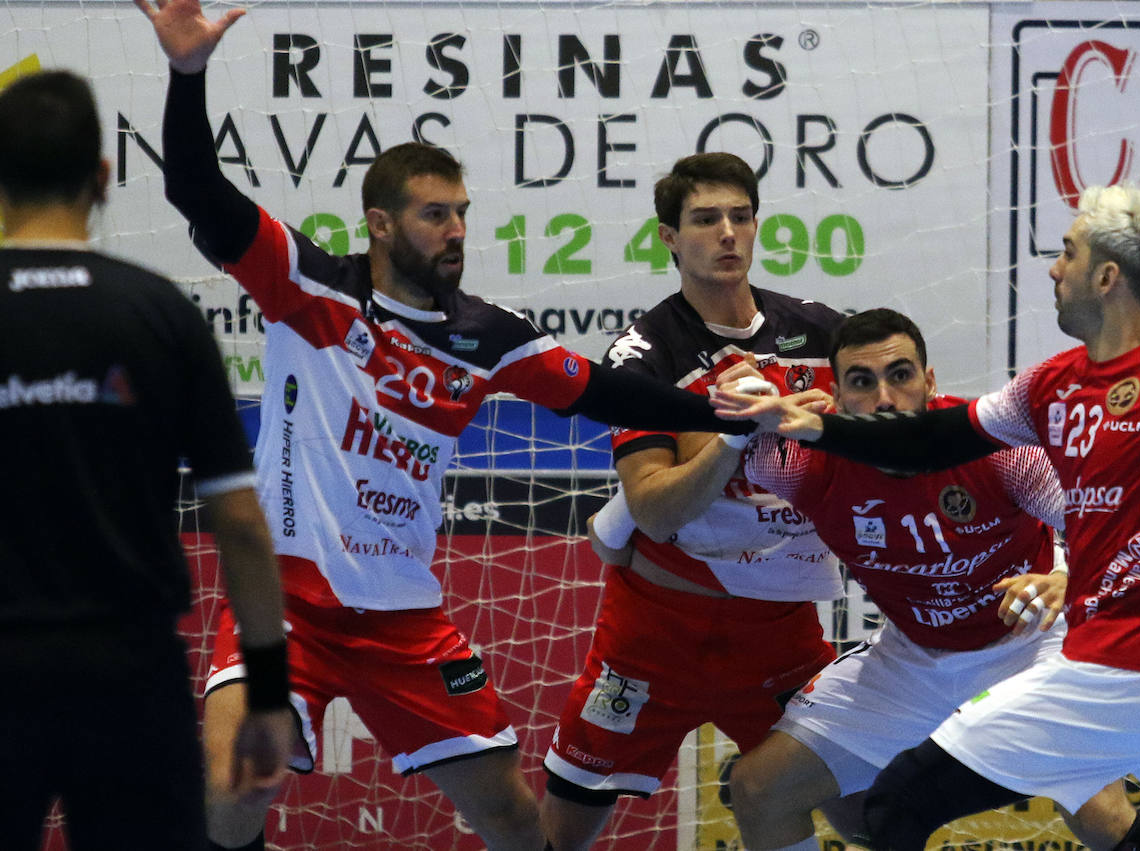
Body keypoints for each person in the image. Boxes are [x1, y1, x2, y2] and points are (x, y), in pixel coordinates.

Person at [136, 3, 759, 850]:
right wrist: (186, 74)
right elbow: (193, 189)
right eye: (435, 214)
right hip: (286, 604)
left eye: (462, 211)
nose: (457, 229)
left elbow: (612, 395)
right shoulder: (305, 286)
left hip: (405, 618)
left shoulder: (488, 335)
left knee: (509, 816)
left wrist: (720, 409)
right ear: (382, 223)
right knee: (232, 790)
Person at [714, 185, 1140, 850]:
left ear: (1107, 277)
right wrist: (813, 426)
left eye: (1068, 253)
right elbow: (927, 440)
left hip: (1123, 668)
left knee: (900, 806)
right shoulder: (1053, 384)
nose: (1054, 267)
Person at [723, 307, 1140, 851]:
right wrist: (740, 405)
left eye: (899, 376)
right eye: (861, 382)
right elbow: (740, 441)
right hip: (914, 659)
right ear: (836, 399)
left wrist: (1070, 583)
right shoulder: (800, 464)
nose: (883, 398)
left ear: (929, 383)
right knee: (759, 788)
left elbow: (1114, 529)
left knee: (1101, 815)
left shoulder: (994, 446)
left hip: (1033, 642)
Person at [0, 69, 293, 850]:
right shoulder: (163, 314)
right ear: (102, 178)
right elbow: (239, 522)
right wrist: (268, 692)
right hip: (127, 677)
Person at [539, 152, 846, 850]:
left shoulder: (821, 332)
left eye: (740, 216)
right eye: (706, 219)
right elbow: (655, 508)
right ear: (670, 237)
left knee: (868, 804)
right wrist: (734, 438)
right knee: (562, 831)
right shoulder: (642, 353)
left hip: (780, 630)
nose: (728, 233)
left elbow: (874, 436)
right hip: (656, 634)